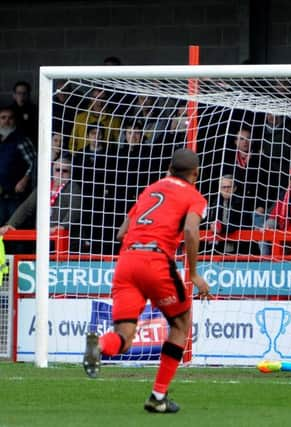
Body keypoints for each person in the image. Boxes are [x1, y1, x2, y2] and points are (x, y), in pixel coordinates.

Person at [82, 148, 210, 414]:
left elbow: (121, 232)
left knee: (124, 336)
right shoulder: (194, 196)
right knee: (181, 323)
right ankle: (158, 396)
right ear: (195, 174)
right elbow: (190, 229)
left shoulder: (150, 189)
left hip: (127, 262)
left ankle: (100, 345)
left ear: (169, 169)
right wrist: (194, 273)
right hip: (156, 261)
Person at [0, 156, 82, 252]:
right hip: (43, 238)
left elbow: (75, 209)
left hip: (64, 239)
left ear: (70, 174)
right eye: (57, 170)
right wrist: (11, 224)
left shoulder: (73, 187)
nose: (60, 174)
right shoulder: (45, 185)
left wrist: (63, 226)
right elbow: (27, 207)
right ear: (52, 171)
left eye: (65, 171)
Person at [0, 106, 36, 226]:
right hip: (1, 196)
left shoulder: (21, 139)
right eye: (3, 118)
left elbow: (34, 163)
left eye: (10, 118)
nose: (6, 121)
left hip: (17, 197)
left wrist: (25, 180)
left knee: (15, 230)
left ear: (15, 120)